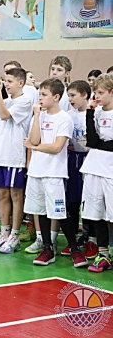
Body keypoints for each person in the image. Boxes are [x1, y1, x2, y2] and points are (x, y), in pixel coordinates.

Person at [23, 79, 87, 267]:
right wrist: (36, 116)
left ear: (56, 97)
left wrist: (34, 147)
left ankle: (74, 248)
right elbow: (34, 140)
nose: (40, 98)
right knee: (41, 212)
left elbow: (57, 147)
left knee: (59, 212)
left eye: (44, 94)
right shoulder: (39, 116)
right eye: (39, 94)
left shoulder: (64, 118)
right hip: (37, 171)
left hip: (54, 173)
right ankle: (47, 248)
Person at [0, 67, 32, 254]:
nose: (6, 84)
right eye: (4, 81)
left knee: (15, 195)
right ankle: (3, 233)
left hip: (14, 156)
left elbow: (5, 115)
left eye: (9, 81)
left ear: (21, 83)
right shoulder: (3, 100)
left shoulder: (25, 101)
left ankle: (14, 234)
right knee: (2, 194)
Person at [81, 74, 113, 273]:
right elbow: (92, 142)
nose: (97, 96)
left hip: (110, 168)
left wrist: (103, 145)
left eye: (101, 92)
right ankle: (103, 253)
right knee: (96, 212)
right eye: (96, 93)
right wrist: (89, 114)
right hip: (94, 165)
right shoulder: (97, 112)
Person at [63, 80, 98, 260]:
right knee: (72, 201)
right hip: (73, 161)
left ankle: (91, 239)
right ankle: (74, 241)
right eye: (68, 95)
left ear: (84, 95)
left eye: (73, 95)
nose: (70, 99)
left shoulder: (95, 113)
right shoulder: (68, 115)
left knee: (89, 201)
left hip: (90, 160)